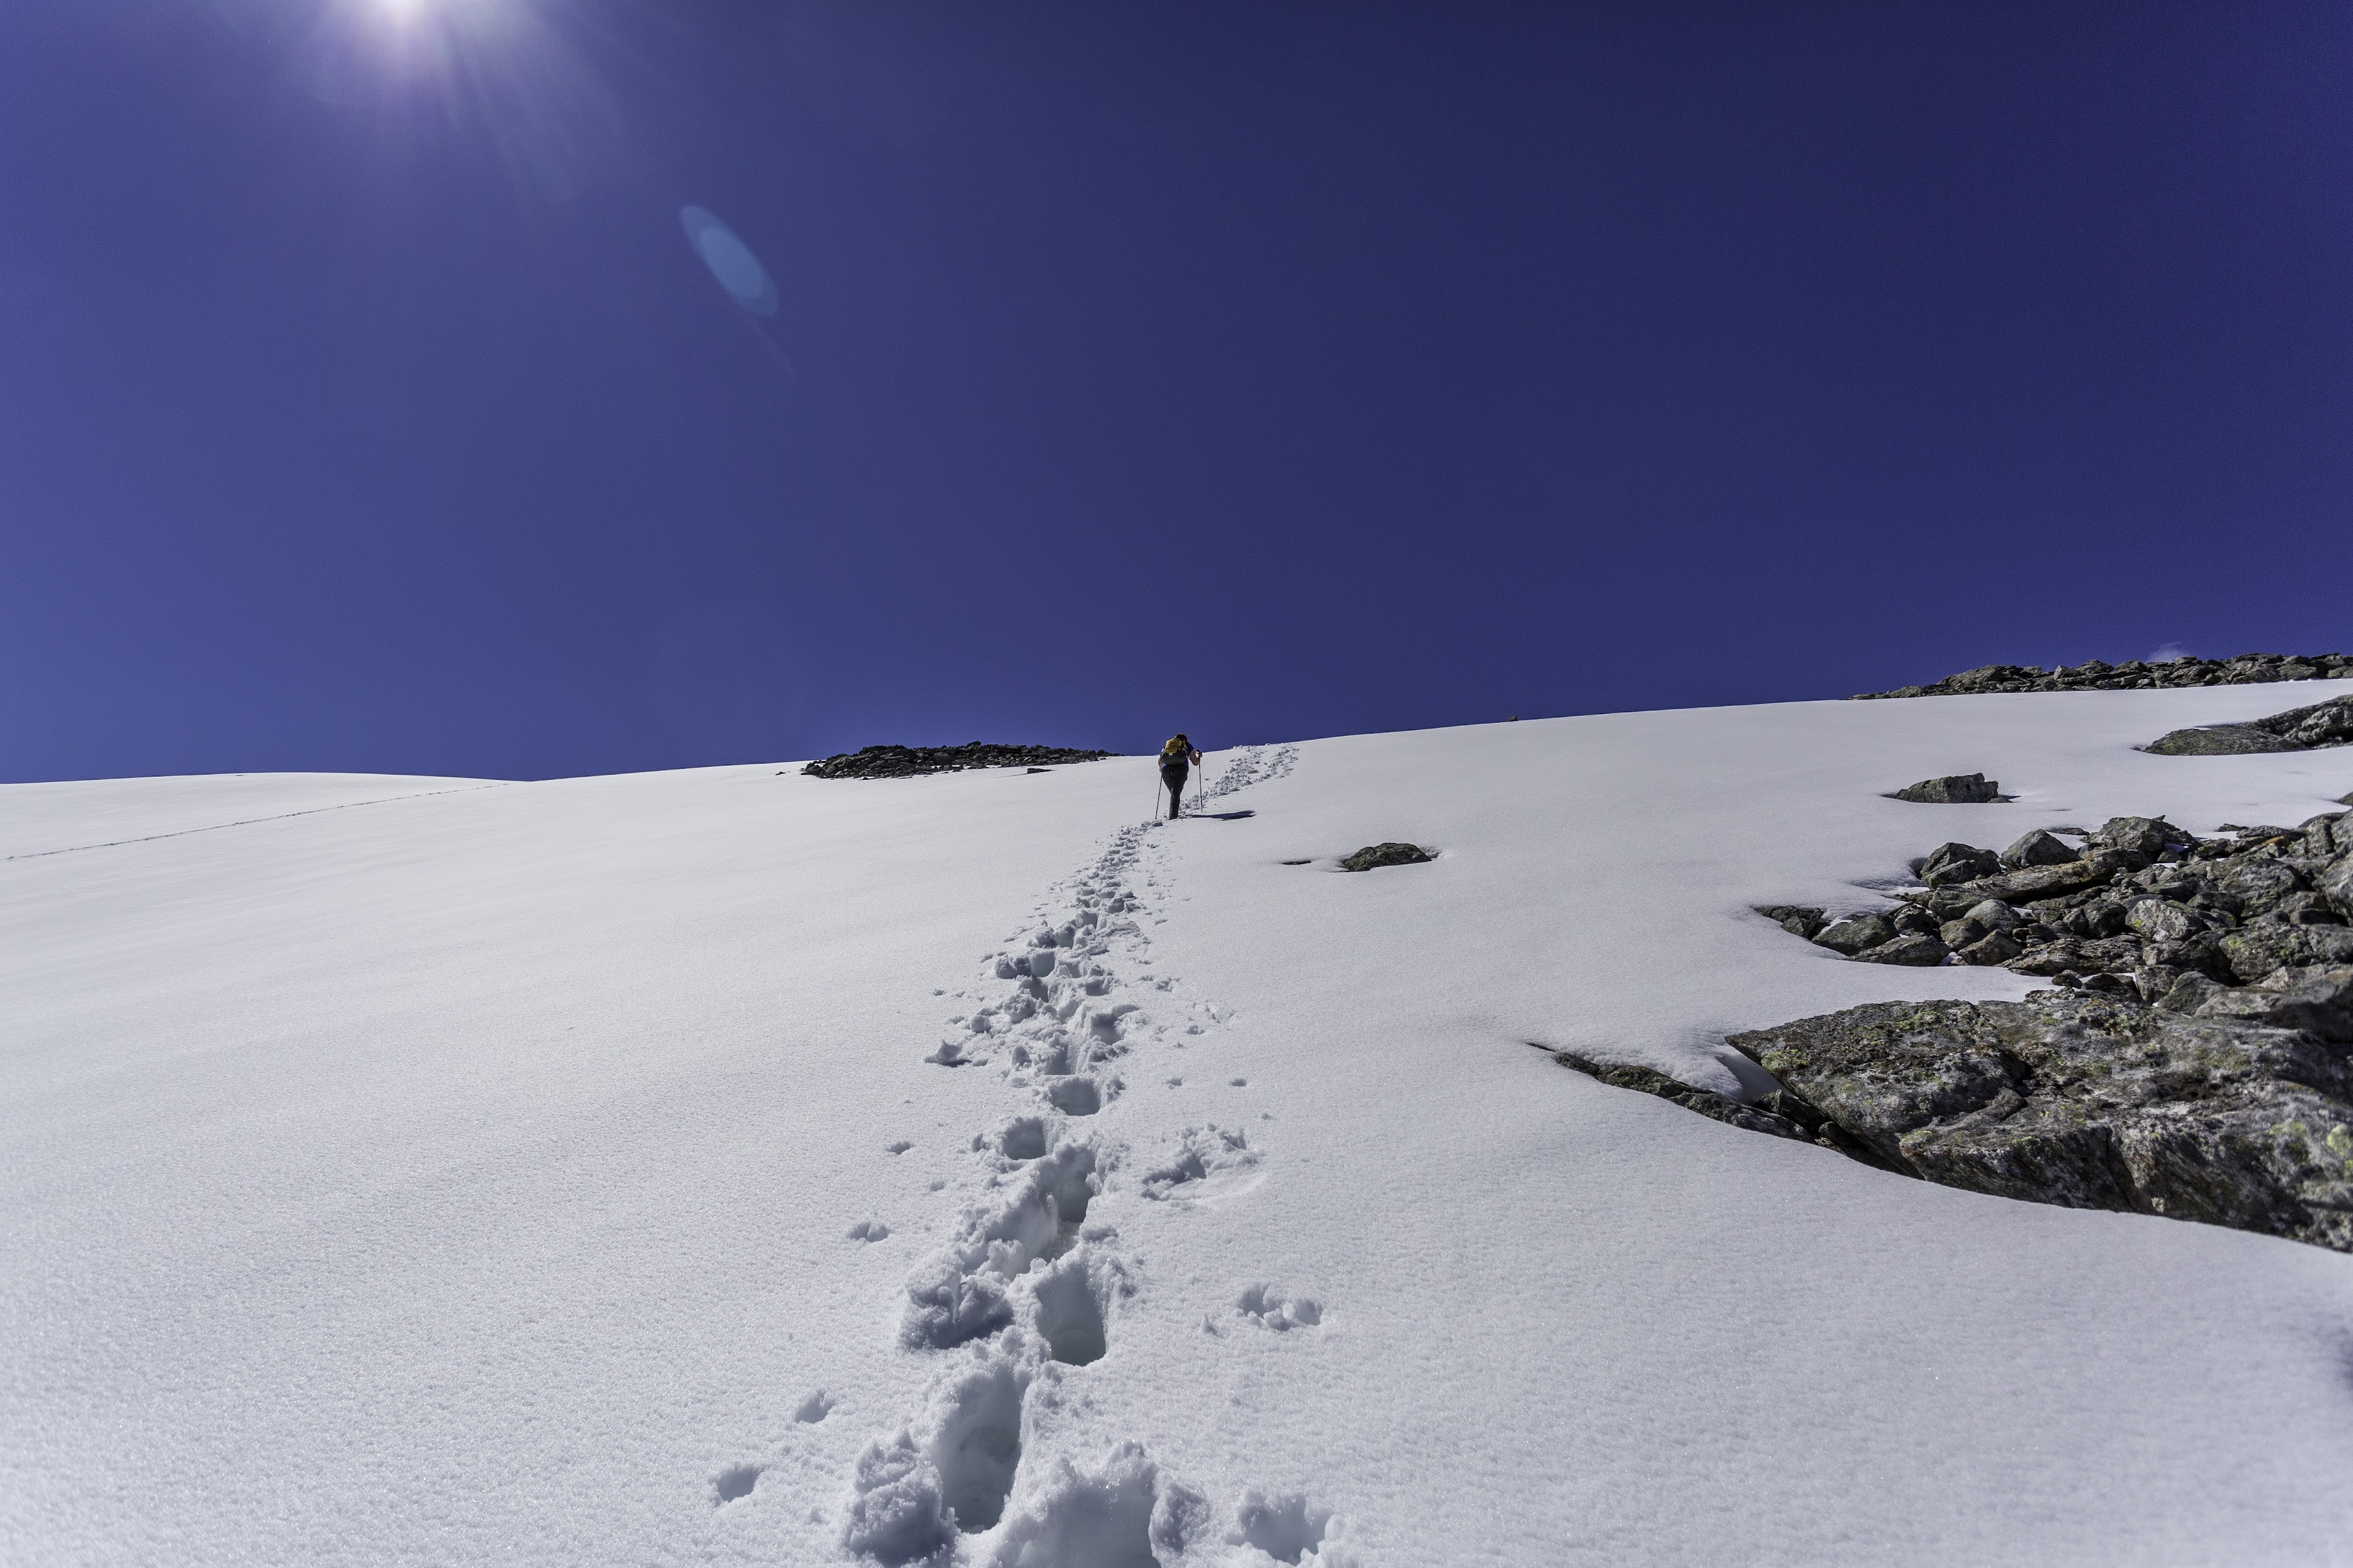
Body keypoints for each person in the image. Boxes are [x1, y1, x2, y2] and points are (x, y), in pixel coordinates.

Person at [1158, 733, 1202, 819]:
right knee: (1175, 793)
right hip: (1181, 768)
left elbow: (1160, 760)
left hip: (1166, 769)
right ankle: (1173, 818)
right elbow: (1195, 762)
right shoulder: (1187, 745)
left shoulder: (1167, 745)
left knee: (1174, 793)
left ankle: (1173, 815)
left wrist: (1161, 769)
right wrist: (1199, 757)